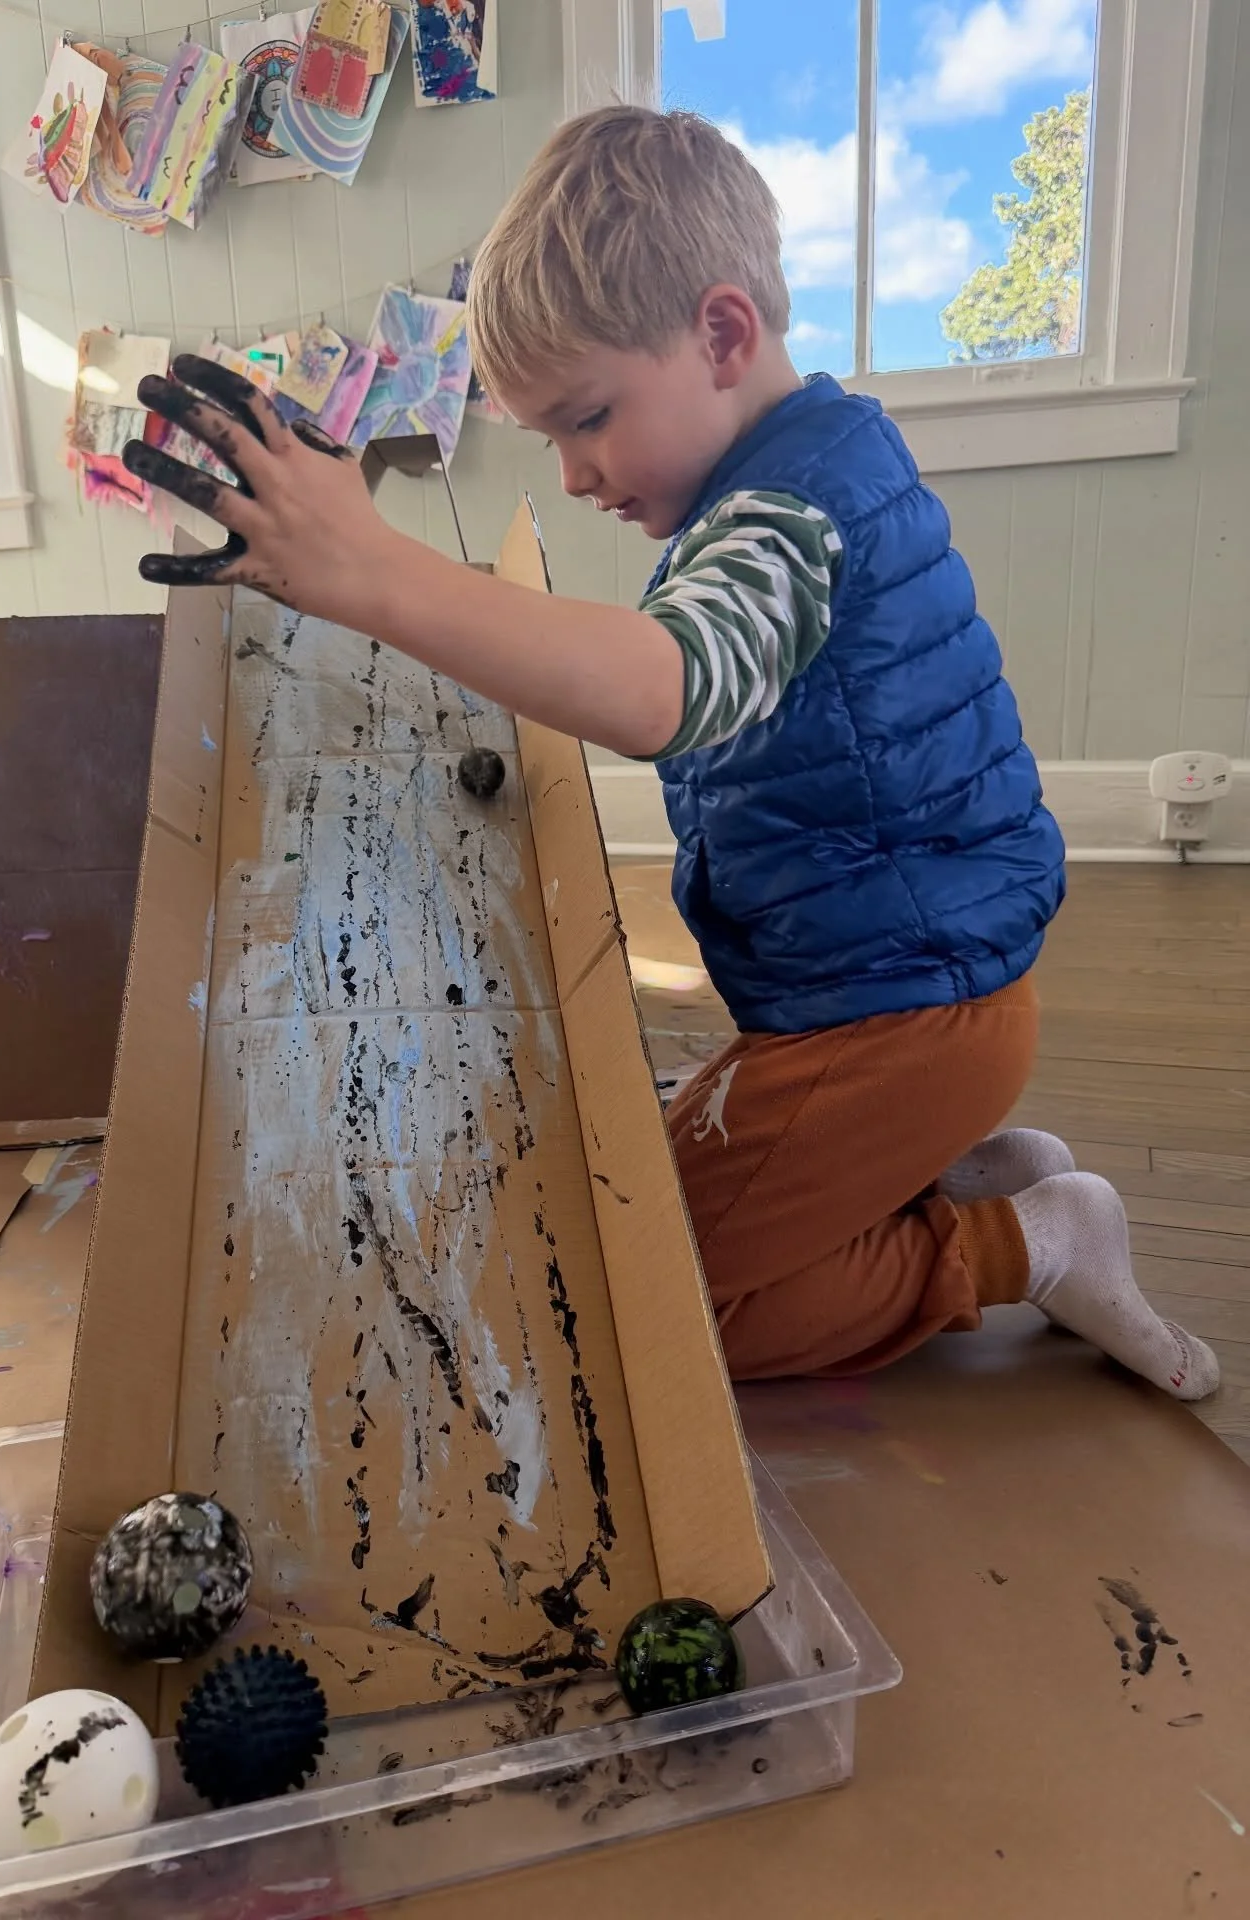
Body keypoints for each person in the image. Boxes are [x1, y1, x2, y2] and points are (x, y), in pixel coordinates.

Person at [121, 106, 1217, 1402]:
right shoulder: (796, 474)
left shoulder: (788, 524)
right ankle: (963, 1171)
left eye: (588, 419)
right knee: (615, 1216)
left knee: (630, 1299)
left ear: (721, 334)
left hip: (908, 1017)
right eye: (549, 442)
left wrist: (372, 571)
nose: (578, 476)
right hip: (869, 995)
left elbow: (664, 691)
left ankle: (1030, 1241)